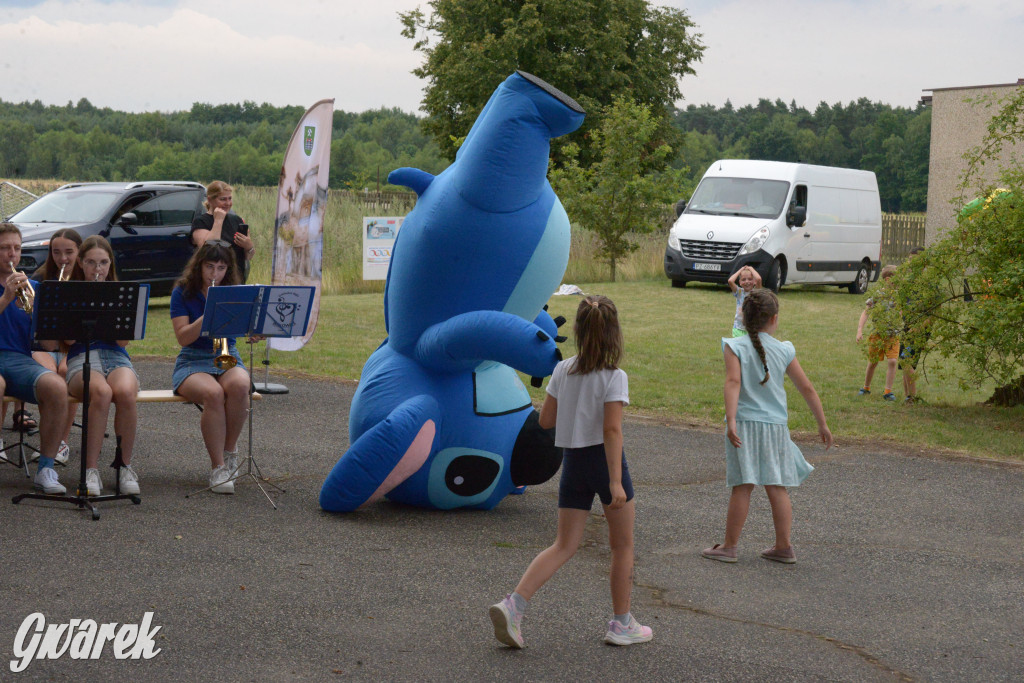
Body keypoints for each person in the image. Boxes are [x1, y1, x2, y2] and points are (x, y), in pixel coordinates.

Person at [489, 295, 653, 648]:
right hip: (604, 464)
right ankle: (622, 623)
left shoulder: (564, 370)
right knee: (622, 546)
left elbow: (546, 420)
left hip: (573, 463)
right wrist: (613, 481)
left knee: (563, 545)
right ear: (614, 333)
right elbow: (611, 431)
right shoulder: (614, 376)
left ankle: (514, 604)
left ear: (578, 330)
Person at [702, 288, 833, 565]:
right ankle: (784, 546)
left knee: (743, 485)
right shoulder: (784, 349)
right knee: (777, 485)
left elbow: (733, 383)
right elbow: (807, 388)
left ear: (744, 316)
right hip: (775, 428)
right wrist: (821, 423)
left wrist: (732, 419)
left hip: (746, 426)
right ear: (774, 318)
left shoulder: (734, 346)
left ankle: (729, 546)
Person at [170, 241, 252, 494]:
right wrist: (207, 316)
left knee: (240, 385)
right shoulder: (183, 292)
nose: (214, 274)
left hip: (227, 353)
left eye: (221, 267)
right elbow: (183, 338)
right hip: (193, 358)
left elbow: (244, 327)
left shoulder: (233, 291)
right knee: (213, 394)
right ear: (199, 265)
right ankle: (217, 468)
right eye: (209, 267)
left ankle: (229, 453)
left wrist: (253, 331)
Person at [64, 236, 141, 496]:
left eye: (103, 263)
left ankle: (124, 467)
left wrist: (113, 310)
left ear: (110, 264)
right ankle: (90, 470)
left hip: (115, 356)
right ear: (81, 263)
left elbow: (123, 341)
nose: (98, 269)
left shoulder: (120, 292)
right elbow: (68, 340)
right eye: (91, 263)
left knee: (126, 393)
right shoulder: (69, 291)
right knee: (101, 393)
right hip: (81, 356)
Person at [0, 223, 71, 494]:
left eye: (16, 248)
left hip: (19, 358)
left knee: (56, 387)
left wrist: (43, 321)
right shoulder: (10, 289)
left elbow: (49, 343)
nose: (11, 254)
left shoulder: (34, 287)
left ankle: (46, 468)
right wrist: (6, 297)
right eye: (5, 247)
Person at [10, 228, 83, 456]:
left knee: (66, 372)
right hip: (44, 346)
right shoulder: (40, 280)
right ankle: (48, 439)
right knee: (50, 374)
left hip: (74, 346)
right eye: (56, 252)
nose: (63, 258)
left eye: (69, 252)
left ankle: (61, 441)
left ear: (80, 253)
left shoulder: (85, 281)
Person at [189, 181, 255, 282]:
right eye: (223, 199)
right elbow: (208, 248)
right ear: (210, 199)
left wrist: (249, 246)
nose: (228, 203)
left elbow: (248, 257)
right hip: (213, 280)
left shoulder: (237, 220)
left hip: (236, 279)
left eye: (230, 198)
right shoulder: (200, 222)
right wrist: (218, 220)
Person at [855, 265, 899, 400]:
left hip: (893, 335)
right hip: (877, 335)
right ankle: (866, 387)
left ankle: (888, 391)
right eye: (895, 279)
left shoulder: (899, 296)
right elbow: (866, 311)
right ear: (887, 280)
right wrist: (860, 329)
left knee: (892, 361)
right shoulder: (878, 295)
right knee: (873, 362)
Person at [727, 265, 762, 337]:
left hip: (752, 329)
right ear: (740, 282)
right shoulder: (739, 292)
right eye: (743, 279)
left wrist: (751, 268)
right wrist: (741, 269)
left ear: (754, 281)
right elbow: (730, 281)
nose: (747, 282)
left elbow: (758, 279)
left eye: (750, 279)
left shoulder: (755, 293)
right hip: (738, 328)